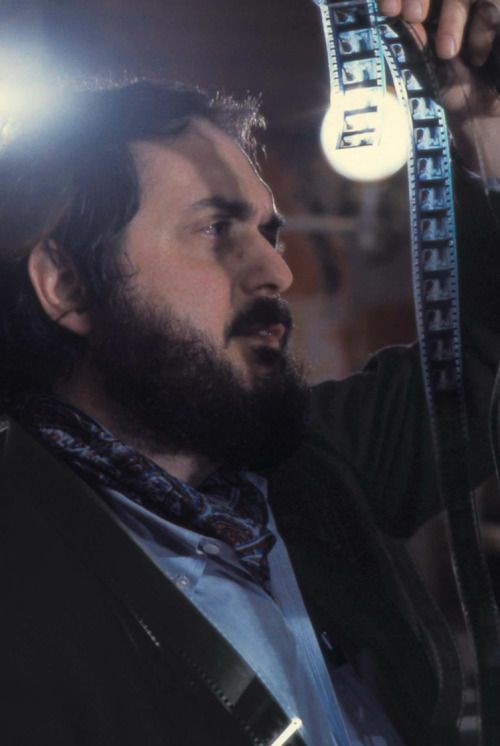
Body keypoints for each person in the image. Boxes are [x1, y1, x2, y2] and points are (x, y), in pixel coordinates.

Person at [1, 2, 500, 745]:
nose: (277, 270)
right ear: (67, 285)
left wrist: (491, 140)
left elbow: (486, 355)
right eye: (215, 229)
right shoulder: (23, 580)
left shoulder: (309, 472)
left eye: (270, 233)